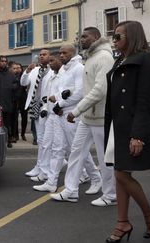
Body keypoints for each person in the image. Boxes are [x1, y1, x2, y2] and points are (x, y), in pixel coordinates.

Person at [104, 21, 150, 243]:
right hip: (116, 126)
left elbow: (145, 100)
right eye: (114, 36)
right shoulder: (120, 59)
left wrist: (138, 134)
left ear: (133, 36)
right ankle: (122, 222)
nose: (114, 40)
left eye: (118, 36)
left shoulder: (144, 59)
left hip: (131, 127)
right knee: (121, 175)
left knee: (120, 174)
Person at [53, 27, 117, 206]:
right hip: (88, 116)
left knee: (106, 158)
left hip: (99, 116)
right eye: (80, 36)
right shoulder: (91, 56)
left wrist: (76, 110)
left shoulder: (104, 57)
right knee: (76, 152)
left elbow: (100, 89)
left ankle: (110, 195)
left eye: (84, 36)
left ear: (96, 37)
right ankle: (71, 190)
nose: (81, 39)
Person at [33, 48, 102, 193]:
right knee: (57, 148)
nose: (62, 55)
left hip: (71, 114)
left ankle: (96, 178)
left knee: (77, 150)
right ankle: (51, 182)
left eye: (65, 53)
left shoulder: (78, 68)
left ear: (73, 53)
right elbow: (63, 90)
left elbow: (80, 92)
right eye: (60, 53)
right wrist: (56, 100)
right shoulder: (65, 69)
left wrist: (60, 102)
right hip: (58, 113)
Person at [21, 49, 53, 181]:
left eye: (44, 54)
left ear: (50, 56)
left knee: (46, 140)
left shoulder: (53, 71)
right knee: (40, 139)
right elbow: (23, 83)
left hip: (48, 108)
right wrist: (26, 71)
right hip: (35, 106)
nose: (41, 56)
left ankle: (43, 167)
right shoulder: (34, 70)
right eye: (40, 55)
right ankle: (40, 166)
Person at [8, 61, 28, 143]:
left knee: (24, 117)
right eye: (15, 68)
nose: (17, 70)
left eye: (19, 68)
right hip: (14, 99)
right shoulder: (11, 77)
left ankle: (23, 133)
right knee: (14, 118)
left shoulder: (24, 76)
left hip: (23, 98)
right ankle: (14, 135)